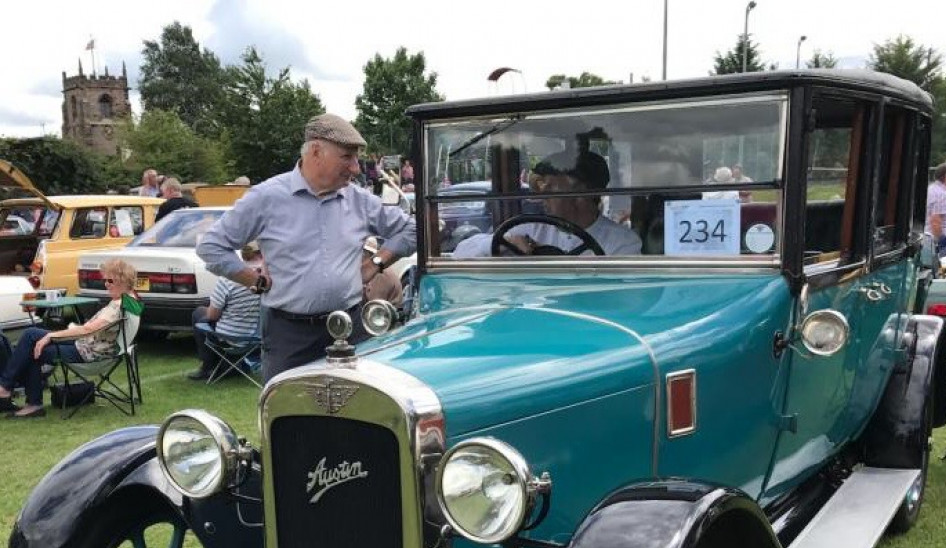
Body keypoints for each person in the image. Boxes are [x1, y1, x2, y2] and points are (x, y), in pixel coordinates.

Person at [196, 112, 417, 382]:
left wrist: (374, 265)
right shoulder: (267, 197)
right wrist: (252, 279)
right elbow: (211, 246)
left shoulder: (359, 200)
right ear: (316, 151)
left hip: (350, 328)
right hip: (289, 335)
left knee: (359, 414)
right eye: (347, 157)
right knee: (288, 413)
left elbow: (411, 229)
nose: (356, 168)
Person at [0, 258, 138, 419]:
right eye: (105, 280)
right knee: (31, 334)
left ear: (122, 280)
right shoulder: (131, 300)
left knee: (32, 345)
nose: (106, 284)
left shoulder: (118, 306)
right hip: (92, 345)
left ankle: (20, 397)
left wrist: (51, 336)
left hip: (89, 352)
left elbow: (87, 329)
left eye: (110, 280)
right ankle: (7, 388)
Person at [452, 150, 641, 258]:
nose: (543, 197)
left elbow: (620, 299)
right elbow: (460, 254)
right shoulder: (529, 229)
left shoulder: (622, 242)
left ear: (580, 194)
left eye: (551, 188)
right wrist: (506, 244)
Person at [188, 242, 264, 380]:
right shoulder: (268, 279)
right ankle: (228, 366)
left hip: (231, 338)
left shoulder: (229, 279)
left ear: (242, 254)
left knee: (199, 313)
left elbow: (212, 315)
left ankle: (207, 366)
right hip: (258, 338)